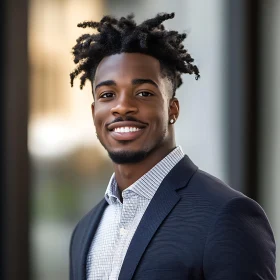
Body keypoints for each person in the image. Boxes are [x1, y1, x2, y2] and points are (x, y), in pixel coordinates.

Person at [69, 12, 276, 280]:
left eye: (144, 93)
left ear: (172, 109)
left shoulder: (226, 215)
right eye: (107, 95)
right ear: (95, 112)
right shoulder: (85, 230)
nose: (121, 107)